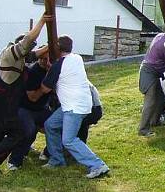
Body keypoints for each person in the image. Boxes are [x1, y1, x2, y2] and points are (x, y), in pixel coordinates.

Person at [0, 13, 51, 174]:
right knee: (17, 132)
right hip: (3, 100)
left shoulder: (18, 58)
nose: (31, 50)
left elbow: (33, 54)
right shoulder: (11, 53)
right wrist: (43, 21)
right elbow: (28, 42)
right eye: (29, 46)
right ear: (20, 45)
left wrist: (51, 45)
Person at [30, 35, 110, 178]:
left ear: (57, 49)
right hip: (77, 104)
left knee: (68, 139)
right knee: (50, 124)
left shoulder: (58, 65)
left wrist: (48, 73)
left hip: (74, 107)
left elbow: (45, 88)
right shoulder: (77, 58)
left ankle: (97, 165)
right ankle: (57, 160)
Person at [138, 31, 165, 137]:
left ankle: (155, 121)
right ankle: (143, 129)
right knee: (150, 101)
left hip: (152, 72)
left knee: (160, 99)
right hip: (149, 72)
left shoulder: (160, 36)